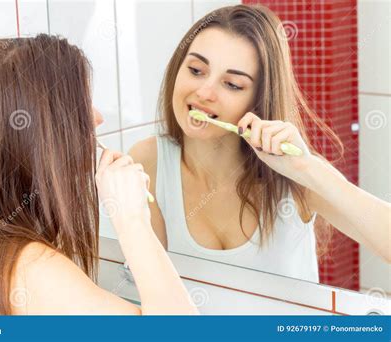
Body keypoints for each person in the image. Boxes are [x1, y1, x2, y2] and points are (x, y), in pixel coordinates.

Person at [0, 34, 198, 315]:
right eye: (80, 103)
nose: (97, 117)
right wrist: (132, 219)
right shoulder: (30, 271)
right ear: (39, 132)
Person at [129, 4, 390, 282]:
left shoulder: (294, 175)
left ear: (259, 99)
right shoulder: (149, 162)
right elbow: (150, 290)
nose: (204, 92)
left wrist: (308, 169)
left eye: (232, 84)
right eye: (195, 70)